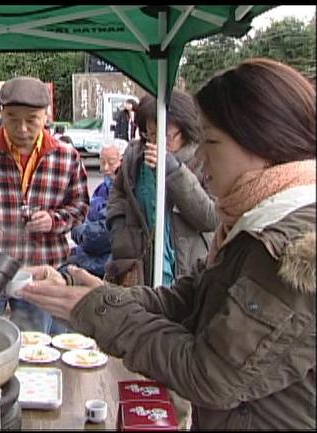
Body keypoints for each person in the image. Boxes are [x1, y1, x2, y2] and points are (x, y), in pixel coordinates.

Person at [21, 58, 316, 430]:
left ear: (262, 140)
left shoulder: (292, 248)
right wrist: (96, 294)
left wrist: (97, 309)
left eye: (209, 141)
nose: (203, 157)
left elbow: (209, 375)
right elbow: (187, 300)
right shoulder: (252, 225)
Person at [0, 76, 90, 334]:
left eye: (32, 120)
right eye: (12, 118)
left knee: (36, 348)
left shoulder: (66, 158)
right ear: (1, 113)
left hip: (42, 271)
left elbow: (80, 207)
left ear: (46, 116)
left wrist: (54, 220)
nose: (22, 129)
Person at [106, 90, 218, 287]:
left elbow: (211, 218)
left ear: (185, 130)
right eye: (149, 134)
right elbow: (118, 196)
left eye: (165, 135)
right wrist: (119, 233)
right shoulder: (134, 156)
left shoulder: (203, 160)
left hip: (184, 265)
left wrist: (172, 169)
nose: (155, 143)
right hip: (140, 267)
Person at [66, 140, 125, 278]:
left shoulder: (122, 192)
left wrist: (77, 230)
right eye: (102, 161)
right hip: (89, 254)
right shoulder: (103, 187)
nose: (105, 168)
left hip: (102, 262)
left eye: (111, 162)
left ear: (122, 162)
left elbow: (99, 236)